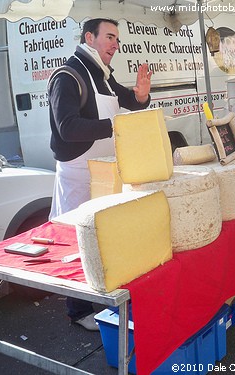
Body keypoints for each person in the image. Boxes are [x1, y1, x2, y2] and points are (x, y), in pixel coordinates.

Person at [48, 18, 152, 331]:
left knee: (105, 235)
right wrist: (114, 126)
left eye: (117, 39)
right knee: (80, 240)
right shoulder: (67, 76)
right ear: (89, 37)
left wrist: (142, 95)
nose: (115, 45)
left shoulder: (103, 75)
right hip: (78, 173)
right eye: (109, 37)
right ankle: (77, 310)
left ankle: (106, 297)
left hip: (103, 170)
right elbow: (67, 128)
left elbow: (126, 98)